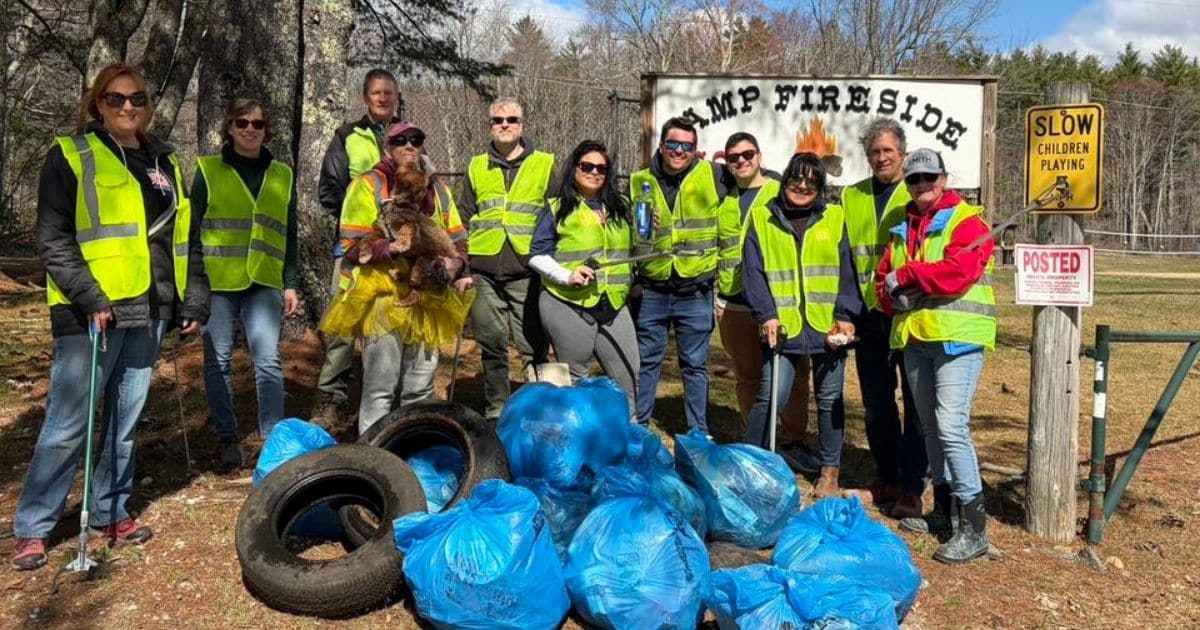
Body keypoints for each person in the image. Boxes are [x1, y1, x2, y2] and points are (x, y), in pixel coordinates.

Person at [12, 63, 208, 570]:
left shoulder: (165, 161)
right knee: (68, 423)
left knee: (124, 420)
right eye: (116, 99)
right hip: (90, 312)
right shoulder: (72, 154)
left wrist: (192, 300)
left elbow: (183, 239)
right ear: (97, 103)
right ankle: (34, 526)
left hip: (151, 307)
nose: (127, 108)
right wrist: (91, 297)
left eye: (137, 99)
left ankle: (110, 509)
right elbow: (53, 240)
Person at [876, 148, 996, 564]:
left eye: (929, 178)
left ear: (944, 178)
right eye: (914, 180)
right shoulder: (902, 227)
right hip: (915, 337)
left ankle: (974, 526)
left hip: (958, 339)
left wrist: (908, 277)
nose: (922, 186)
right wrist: (893, 298)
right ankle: (943, 511)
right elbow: (883, 279)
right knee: (929, 427)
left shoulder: (967, 222)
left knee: (950, 426)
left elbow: (957, 273)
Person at [330, 121, 470, 434]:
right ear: (387, 148)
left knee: (420, 389)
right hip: (384, 297)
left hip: (430, 298)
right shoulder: (366, 185)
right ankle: (375, 456)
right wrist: (390, 248)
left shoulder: (439, 190)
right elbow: (350, 244)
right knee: (380, 389)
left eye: (416, 140)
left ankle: (412, 453)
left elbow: (458, 237)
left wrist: (457, 267)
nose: (408, 146)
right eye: (399, 141)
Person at [742, 153, 861, 499]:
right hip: (783, 327)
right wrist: (766, 314)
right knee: (770, 397)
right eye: (796, 179)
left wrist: (845, 314)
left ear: (821, 188)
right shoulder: (763, 219)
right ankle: (751, 463)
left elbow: (847, 272)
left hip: (828, 329)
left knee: (829, 400)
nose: (802, 186)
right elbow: (754, 273)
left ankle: (829, 470)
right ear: (785, 181)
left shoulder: (835, 218)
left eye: (812, 181)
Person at [193, 98, 299, 470]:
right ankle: (227, 440)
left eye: (257, 124)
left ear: (266, 130)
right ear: (230, 127)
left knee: (267, 360)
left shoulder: (283, 174)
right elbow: (191, 230)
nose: (250, 129)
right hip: (218, 282)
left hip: (264, 281)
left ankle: (273, 442)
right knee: (217, 362)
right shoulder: (208, 170)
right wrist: (193, 285)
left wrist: (291, 282)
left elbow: (289, 232)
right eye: (242, 123)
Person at [840, 118, 925, 518]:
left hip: (907, 313)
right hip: (868, 313)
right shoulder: (852, 196)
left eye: (888, 151)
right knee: (876, 402)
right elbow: (844, 255)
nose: (881, 158)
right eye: (875, 152)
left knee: (914, 400)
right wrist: (845, 311)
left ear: (902, 154)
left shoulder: (917, 193)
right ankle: (886, 474)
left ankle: (911, 485)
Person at [715, 132, 813, 467]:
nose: (741, 161)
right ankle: (754, 439)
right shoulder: (724, 201)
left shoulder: (778, 191)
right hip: (734, 301)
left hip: (779, 302)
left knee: (796, 377)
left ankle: (793, 439)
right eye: (734, 157)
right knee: (748, 376)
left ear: (759, 155)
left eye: (748, 154)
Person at [312, 68, 404, 423]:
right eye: (376, 93)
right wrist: (361, 218)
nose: (382, 98)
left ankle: (384, 401)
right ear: (366, 97)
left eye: (388, 93)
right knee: (343, 325)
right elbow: (329, 190)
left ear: (396, 97)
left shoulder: (405, 136)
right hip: (355, 247)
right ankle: (331, 399)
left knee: (390, 324)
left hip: (398, 252)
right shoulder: (348, 135)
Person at [630, 116, 727, 433]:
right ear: (661, 145)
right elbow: (629, 235)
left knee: (695, 366)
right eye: (673, 143)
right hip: (653, 288)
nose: (679, 151)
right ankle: (639, 426)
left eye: (687, 146)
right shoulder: (638, 180)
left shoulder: (713, 176)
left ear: (696, 150)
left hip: (695, 290)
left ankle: (698, 432)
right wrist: (638, 227)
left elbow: (754, 182)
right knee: (646, 362)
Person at [460, 97, 553, 420]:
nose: (504, 125)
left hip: (527, 270)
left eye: (511, 120)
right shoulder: (475, 166)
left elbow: (558, 215)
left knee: (534, 346)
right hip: (483, 270)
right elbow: (463, 218)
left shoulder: (545, 164)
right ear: (490, 125)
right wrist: (462, 267)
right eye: (498, 120)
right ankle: (497, 412)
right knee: (492, 346)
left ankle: (537, 412)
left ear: (522, 125)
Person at [529, 140, 639, 413]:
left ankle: (630, 436)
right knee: (575, 378)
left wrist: (652, 232)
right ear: (574, 169)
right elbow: (536, 254)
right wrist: (567, 275)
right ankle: (579, 437)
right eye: (586, 166)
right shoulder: (557, 208)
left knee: (629, 373)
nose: (594, 172)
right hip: (566, 302)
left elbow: (636, 248)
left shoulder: (621, 207)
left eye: (601, 168)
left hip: (612, 302)